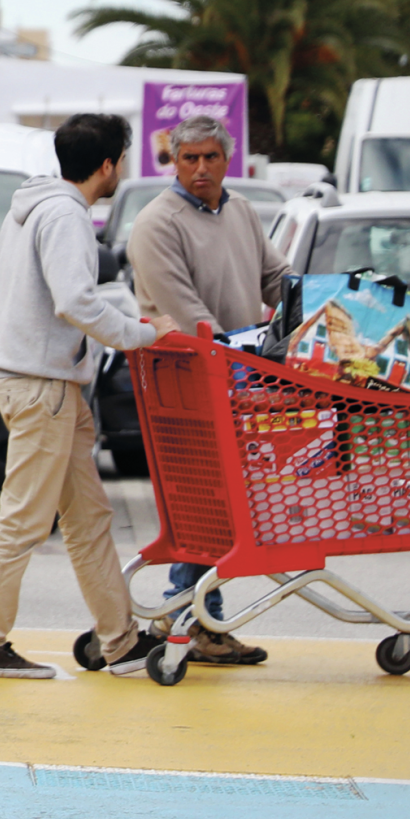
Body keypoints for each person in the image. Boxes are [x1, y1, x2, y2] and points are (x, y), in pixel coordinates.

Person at [0, 114, 179, 679]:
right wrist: (142, 335)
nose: (122, 170)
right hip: (43, 387)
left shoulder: (37, 207)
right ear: (107, 165)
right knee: (24, 519)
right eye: (122, 161)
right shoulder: (65, 215)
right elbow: (74, 302)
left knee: (89, 518)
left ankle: (121, 640)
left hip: (43, 384)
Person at [127, 114, 289, 666]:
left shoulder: (241, 210)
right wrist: (237, 356)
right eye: (188, 158)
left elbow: (274, 278)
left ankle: (194, 617)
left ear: (228, 159)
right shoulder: (156, 223)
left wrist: (312, 307)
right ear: (172, 161)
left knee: (216, 507)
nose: (200, 168)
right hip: (190, 382)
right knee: (202, 500)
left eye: (210, 157)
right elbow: (185, 311)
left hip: (240, 378)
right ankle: (190, 616)